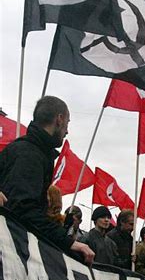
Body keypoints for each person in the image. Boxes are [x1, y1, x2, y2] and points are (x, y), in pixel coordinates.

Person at [0, 96, 94, 263]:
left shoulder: (35, 152)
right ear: (59, 119)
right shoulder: (29, 154)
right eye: (68, 123)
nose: (67, 131)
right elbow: (22, 209)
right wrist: (67, 243)